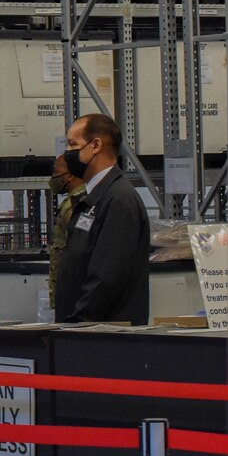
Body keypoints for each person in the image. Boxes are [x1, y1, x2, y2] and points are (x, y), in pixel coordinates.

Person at [56, 113, 151, 327]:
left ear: (96, 145)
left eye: (73, 144)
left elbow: (107, 276)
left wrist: (78, 323)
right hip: (84, 331)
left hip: (103, 335)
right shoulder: (93, 197)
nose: (67, 154)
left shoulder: (118, 200)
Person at [46, 152, 86, 317]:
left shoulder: (77, 205)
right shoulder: (72, 202)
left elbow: (77, 250)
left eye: (55, 172)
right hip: (69, 291)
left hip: (74, 293)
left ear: (69, 175)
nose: (53, 177)